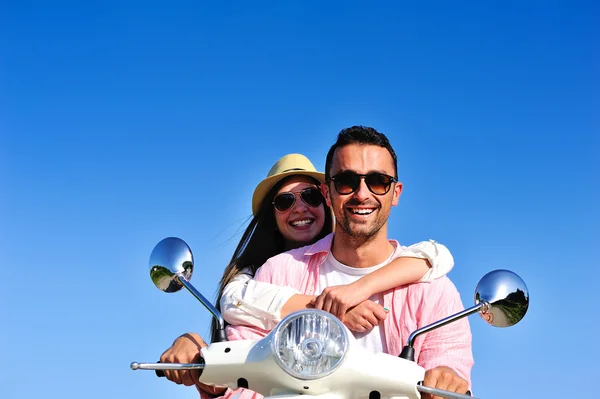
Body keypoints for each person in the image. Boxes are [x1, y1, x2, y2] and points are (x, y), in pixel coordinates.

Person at [161, 129, 472, 398]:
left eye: (378, 181)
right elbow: (241, 373)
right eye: (347, 181)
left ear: (396, 193)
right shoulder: (273, 273)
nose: (362, 194)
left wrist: (445, 381)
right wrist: (205, 366)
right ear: (330, 191)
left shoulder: (434, 290)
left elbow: (448, 367)